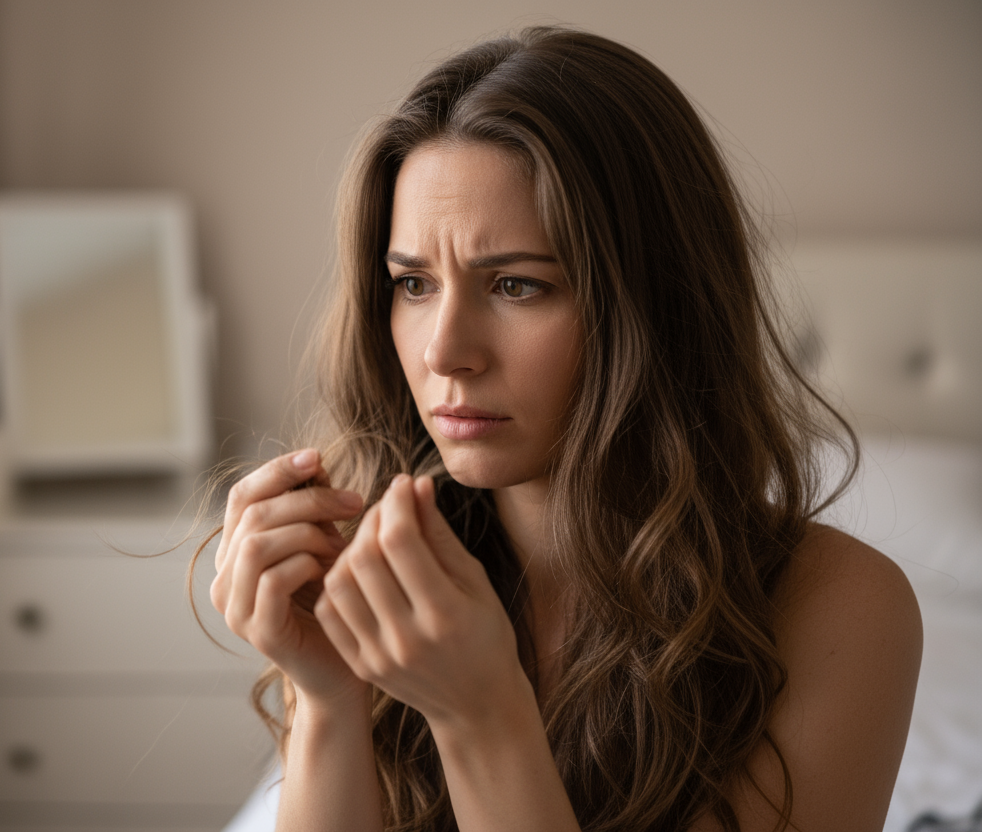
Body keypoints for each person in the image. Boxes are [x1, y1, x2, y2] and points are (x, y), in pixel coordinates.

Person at [202, 26, 922, 832]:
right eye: (413, 283)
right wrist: (329, 697)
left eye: (515, 285)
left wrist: (483, 716)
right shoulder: (382, 578)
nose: (445, 350)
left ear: (655, 304)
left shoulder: (839, 607)